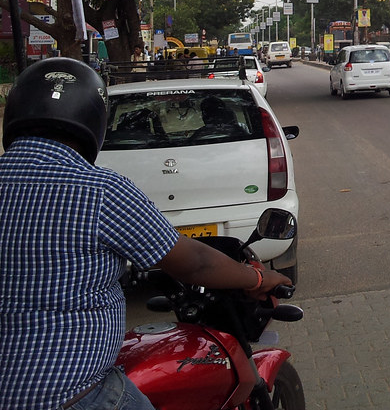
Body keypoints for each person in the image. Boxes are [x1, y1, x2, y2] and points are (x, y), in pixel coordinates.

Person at [0, 58, 291, 410]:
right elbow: (195, 263)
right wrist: (256, 278)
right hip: (71, 393)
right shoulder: (99, 190)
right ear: (93, 122)